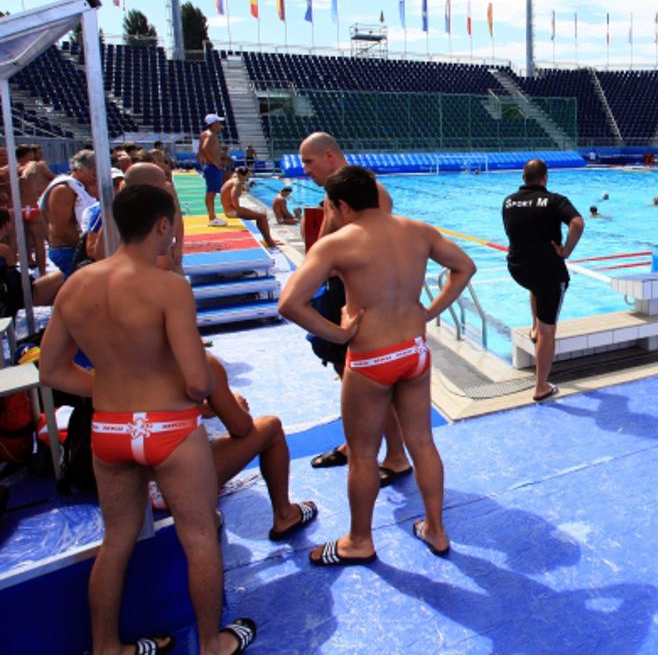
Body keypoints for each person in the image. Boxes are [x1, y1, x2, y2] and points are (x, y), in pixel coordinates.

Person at [38, 184, 256, 654]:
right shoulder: (168, 287)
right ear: (162, 225)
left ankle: (105, 647)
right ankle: (212, 642)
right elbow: (198, 382)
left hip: (110, 428)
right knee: (197, 533)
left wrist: (114, 389)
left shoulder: (76, 283)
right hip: (169, 429)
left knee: (116, 540)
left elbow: (51, 370)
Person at [279, 166, 475, 565]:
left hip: (371, 357)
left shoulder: (337, 244)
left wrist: (338, 334)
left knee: (364, 454)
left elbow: (289, 303)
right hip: (414, 350)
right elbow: (465, 267)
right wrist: (431, 311)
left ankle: (359, 540)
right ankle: (436, 529)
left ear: (341, 205)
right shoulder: (418, 230)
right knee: (422, 442)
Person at [298, 132, 411, 482]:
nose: (305, 170)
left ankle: (395, 456)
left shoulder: (370, 192)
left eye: (309, 161)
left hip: (360, 301)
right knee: (349, 374)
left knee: (374, 378)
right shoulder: (337, 193)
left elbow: (375, 243)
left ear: (330, 156)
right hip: (341, 294)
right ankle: (357, 443)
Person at [146, 353, 318, 542]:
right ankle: (285, 514)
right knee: (271, 426)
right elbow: (241, 427)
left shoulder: (117, 356)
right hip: (179, 482)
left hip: (129, 482)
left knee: (117, 541)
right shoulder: (199, 362)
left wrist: (201, 408)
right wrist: (228, 404)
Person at [503, 159, 584, 402]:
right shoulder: (554, 200)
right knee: (550, 330)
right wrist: (566, 250)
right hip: (548, 271)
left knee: (535, 285)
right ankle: (541, 387)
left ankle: (534, 326)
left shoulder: (508, 201)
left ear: (524, 177)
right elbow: (578, 223)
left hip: (518, 268)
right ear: (544, 178)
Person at [84, 163, 185, 272]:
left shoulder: (161, 207)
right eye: (163, 182)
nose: (168, 185)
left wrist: (178, 244)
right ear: (152, 185)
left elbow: (176, 216)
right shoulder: (114, 213)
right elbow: (98, 253)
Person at [39, 149, 98, 277]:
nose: (97, 178)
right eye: (94, 174)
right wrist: (86, 248)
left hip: (76, 247)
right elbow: (61, 228)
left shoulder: (83, 187)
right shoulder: (63, 190)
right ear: (80, 169)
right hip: (67, 249)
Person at [16, 144, 53, 273]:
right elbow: (31, 173)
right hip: (31, 207)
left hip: (18, 207)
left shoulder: (10, 168)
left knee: (24, 238)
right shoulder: (34, 165)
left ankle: (29, 263)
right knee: (39, 241)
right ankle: (42, 271)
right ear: (29, 154)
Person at [221, 168, 278, 248]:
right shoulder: (238, 182)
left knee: (261, 213)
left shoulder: (234, 178)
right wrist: (238, 208)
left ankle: (268, 239)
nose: (249, 176)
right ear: (243, 175)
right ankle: (270, 242)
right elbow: (233, 195)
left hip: (228, 208)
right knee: (262, 216)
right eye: (248, 174)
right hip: (232, 211)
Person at [199, 114, 228, 226]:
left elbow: (201, 150)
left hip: (209, 166)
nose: (220, 125)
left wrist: (204, 162)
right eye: (218, 123)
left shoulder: (205, 134)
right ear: (214, 123)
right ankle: (212, 218)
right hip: (212, 167)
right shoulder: (211, 135)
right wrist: (215, 163)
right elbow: (204, 148)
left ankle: (212, 216)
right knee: (211, 193)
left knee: (211, 192)